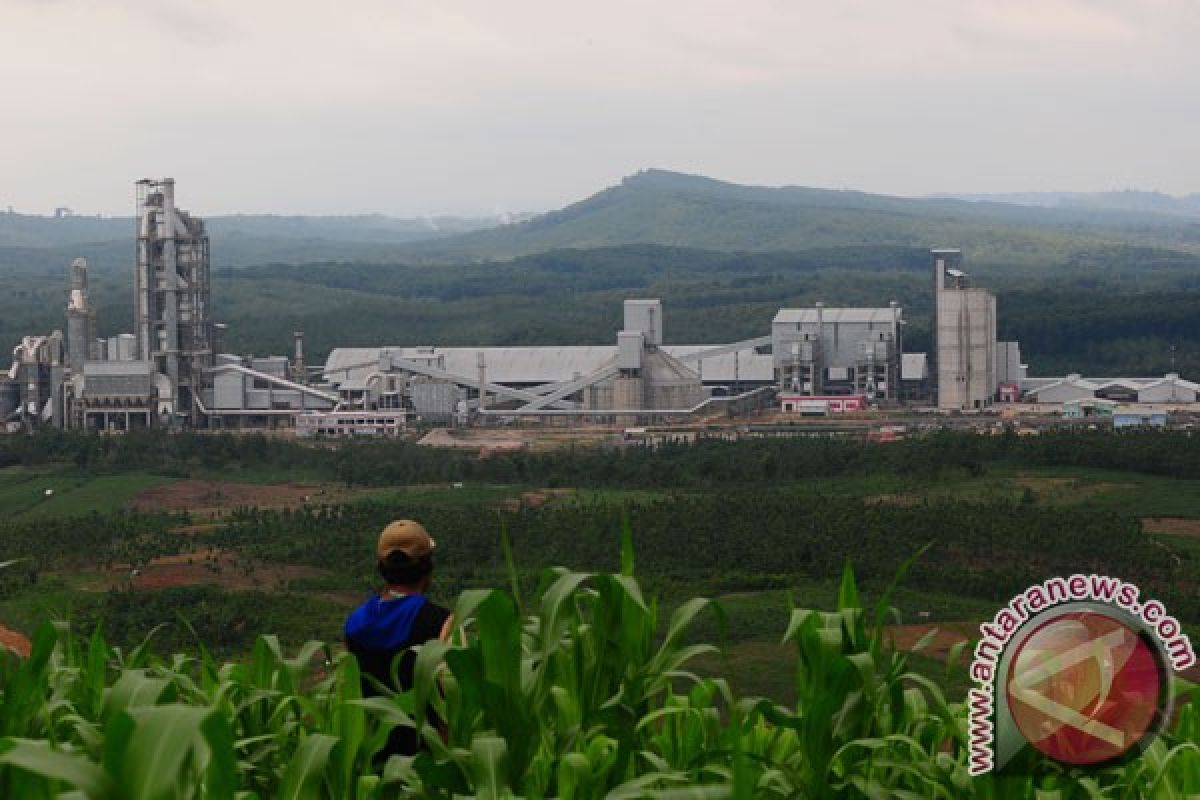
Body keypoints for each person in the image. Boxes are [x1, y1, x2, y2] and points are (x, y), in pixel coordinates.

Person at [344, 519, 453, 758]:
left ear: (381, 567)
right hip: (424, 756)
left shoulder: (354, 624)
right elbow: (451, 700)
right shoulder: (442, 623)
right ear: (427, 567)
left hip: (371, 755)